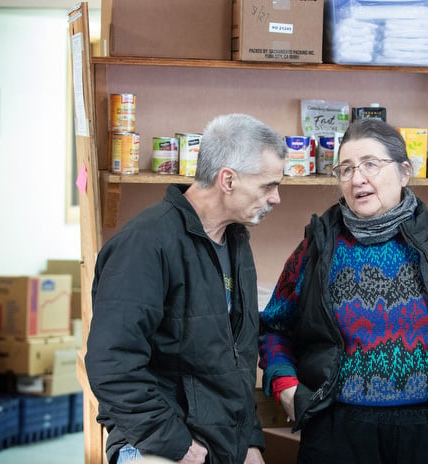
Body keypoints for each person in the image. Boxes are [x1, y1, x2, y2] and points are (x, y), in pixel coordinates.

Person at [258, 118, 428, 464]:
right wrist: (285, 386)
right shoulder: (317, 246)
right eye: (345, 169)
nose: (357, 178)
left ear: (404, 172)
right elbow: (274, 327)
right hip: (337, 427)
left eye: (370, 165)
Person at [85, 113, 288, 464]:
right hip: (157, 443)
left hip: (219, 441)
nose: (276, 198)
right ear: (228, 180)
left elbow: (234, 360)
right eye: (268, 185)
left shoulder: (235, 242)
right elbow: (112, 365)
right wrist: (176, 446)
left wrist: (250, 440)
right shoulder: (145, 244)